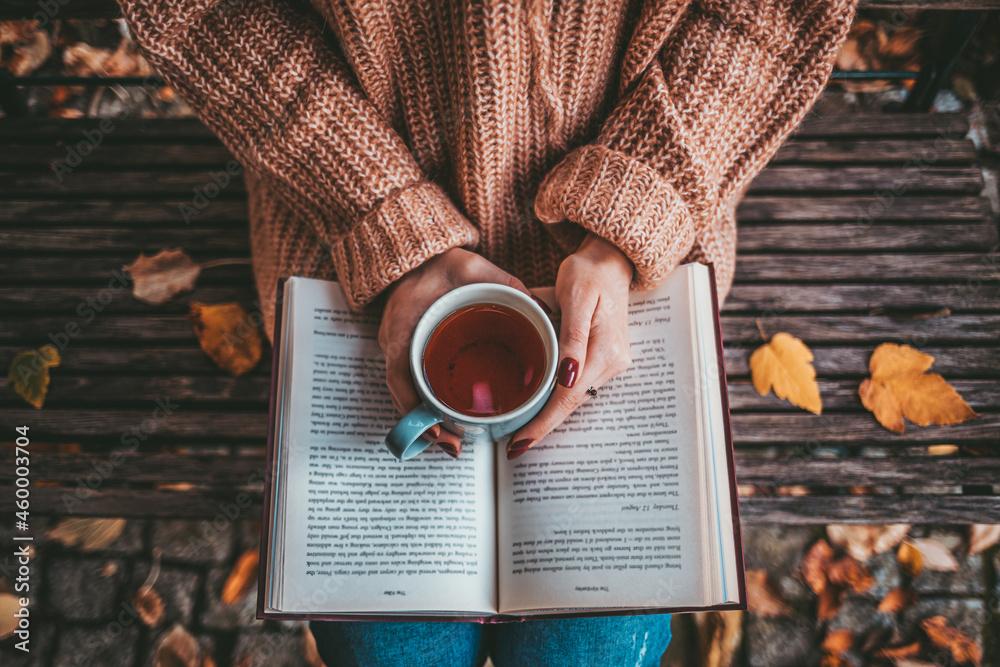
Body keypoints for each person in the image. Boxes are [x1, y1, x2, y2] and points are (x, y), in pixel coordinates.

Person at [120, 0, 855, 664]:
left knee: (589, 651)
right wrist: (380, 216)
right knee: (389, 649)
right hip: (353, 245)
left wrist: (632, 210)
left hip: (631, 265)